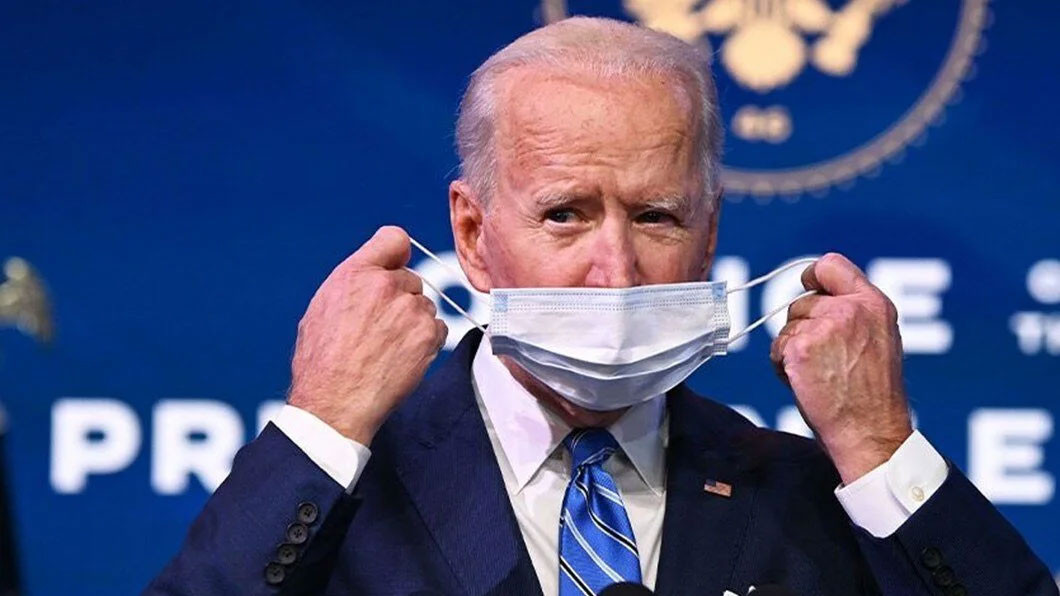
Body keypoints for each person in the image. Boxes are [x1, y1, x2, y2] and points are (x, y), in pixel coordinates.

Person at [147, 17, 1055, 596]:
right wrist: (322, 427)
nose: (614, 273)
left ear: (709, 231)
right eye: (565, 215)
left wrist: (881, 448)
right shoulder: (343, 489)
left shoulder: (808, 492)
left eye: (656, 216)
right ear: (472, 233)